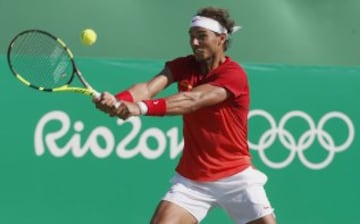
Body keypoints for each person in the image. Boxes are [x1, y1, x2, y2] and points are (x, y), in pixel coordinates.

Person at [93, 6, 277, 224]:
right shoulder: (183, 65)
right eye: (191, 37)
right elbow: (148, 88)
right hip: (193, 179)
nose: (195, 43)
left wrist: (140, 108)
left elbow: (192, 100)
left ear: (221, 38)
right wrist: (118, 100)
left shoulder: (233, 75)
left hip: (236, 175)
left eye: (202, 36)